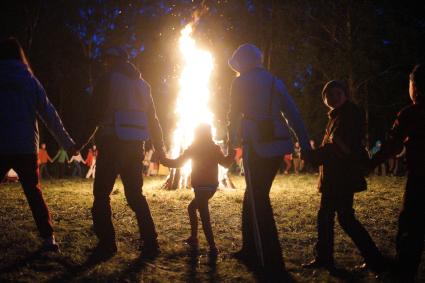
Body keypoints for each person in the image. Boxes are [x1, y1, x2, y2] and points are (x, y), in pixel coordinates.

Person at [227, 43, 311, 276]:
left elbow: (233, 114)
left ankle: (270, 257)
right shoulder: (275, 81)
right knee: (252, 196)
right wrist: (304, 144)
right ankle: (250, 248)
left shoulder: (240, 82)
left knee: (258, 198)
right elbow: (293, 114)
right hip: (277, 146)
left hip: (255, 146)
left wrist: (231, 141)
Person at [80, 46, 165, 259]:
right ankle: (151, 241)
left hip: (111, 142)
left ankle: (107, 244)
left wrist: (80, 142)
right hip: (135, 145)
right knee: (135, 195)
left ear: (113, 60)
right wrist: (159, 144)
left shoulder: (107, 80)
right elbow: (153, 118)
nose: (106, 63)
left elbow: (94, 115)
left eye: (108, 59)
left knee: (101, 194)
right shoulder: (143, 85)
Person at [302, 80, 386, 273]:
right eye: (329, 95)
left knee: (337, 217)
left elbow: (340, 149)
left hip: (342, 176)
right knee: (336, 217)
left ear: (345, 95)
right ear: (324, 99)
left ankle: (370, 259)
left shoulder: (348, 115)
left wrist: (312, 156)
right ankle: (369, 258)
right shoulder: (337, 116)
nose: (333, 97)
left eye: (337, 94)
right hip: (336, 176)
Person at [0, 37, 75, 251]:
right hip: (25, 146)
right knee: (34, 192)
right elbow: (49, 113)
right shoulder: (29, 80)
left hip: (1, 144)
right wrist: (67, 143)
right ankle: (48, 238)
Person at [369, 64, 425, 281]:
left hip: (420, 178)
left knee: (411, 226)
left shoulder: (411, 113)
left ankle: (404, 273)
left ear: (415, 87)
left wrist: (369, 162)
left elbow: (390, 143)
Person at [161, 124, 235, 255]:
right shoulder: (213, 148)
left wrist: (164, 161)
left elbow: (178, 163)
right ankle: (194, 238)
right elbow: (226, 163)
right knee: (191, 208)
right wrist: (232, 152)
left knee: (204, 216)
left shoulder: (193, 148)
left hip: (201, 186)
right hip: (211, 186)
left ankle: (213, 247)